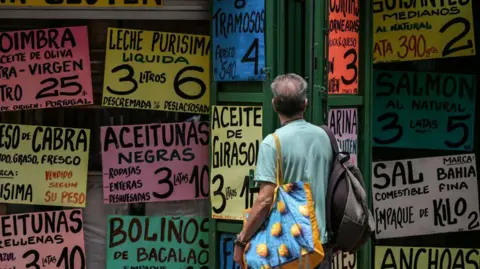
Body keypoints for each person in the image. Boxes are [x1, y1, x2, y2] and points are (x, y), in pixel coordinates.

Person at [233, 73, 333, 269]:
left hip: (288, 249)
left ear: (274, 105)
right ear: (305, 104)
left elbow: (264, 200)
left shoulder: (272, 143)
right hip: (320, 244)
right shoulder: (324, 136)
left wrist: (241, 240)